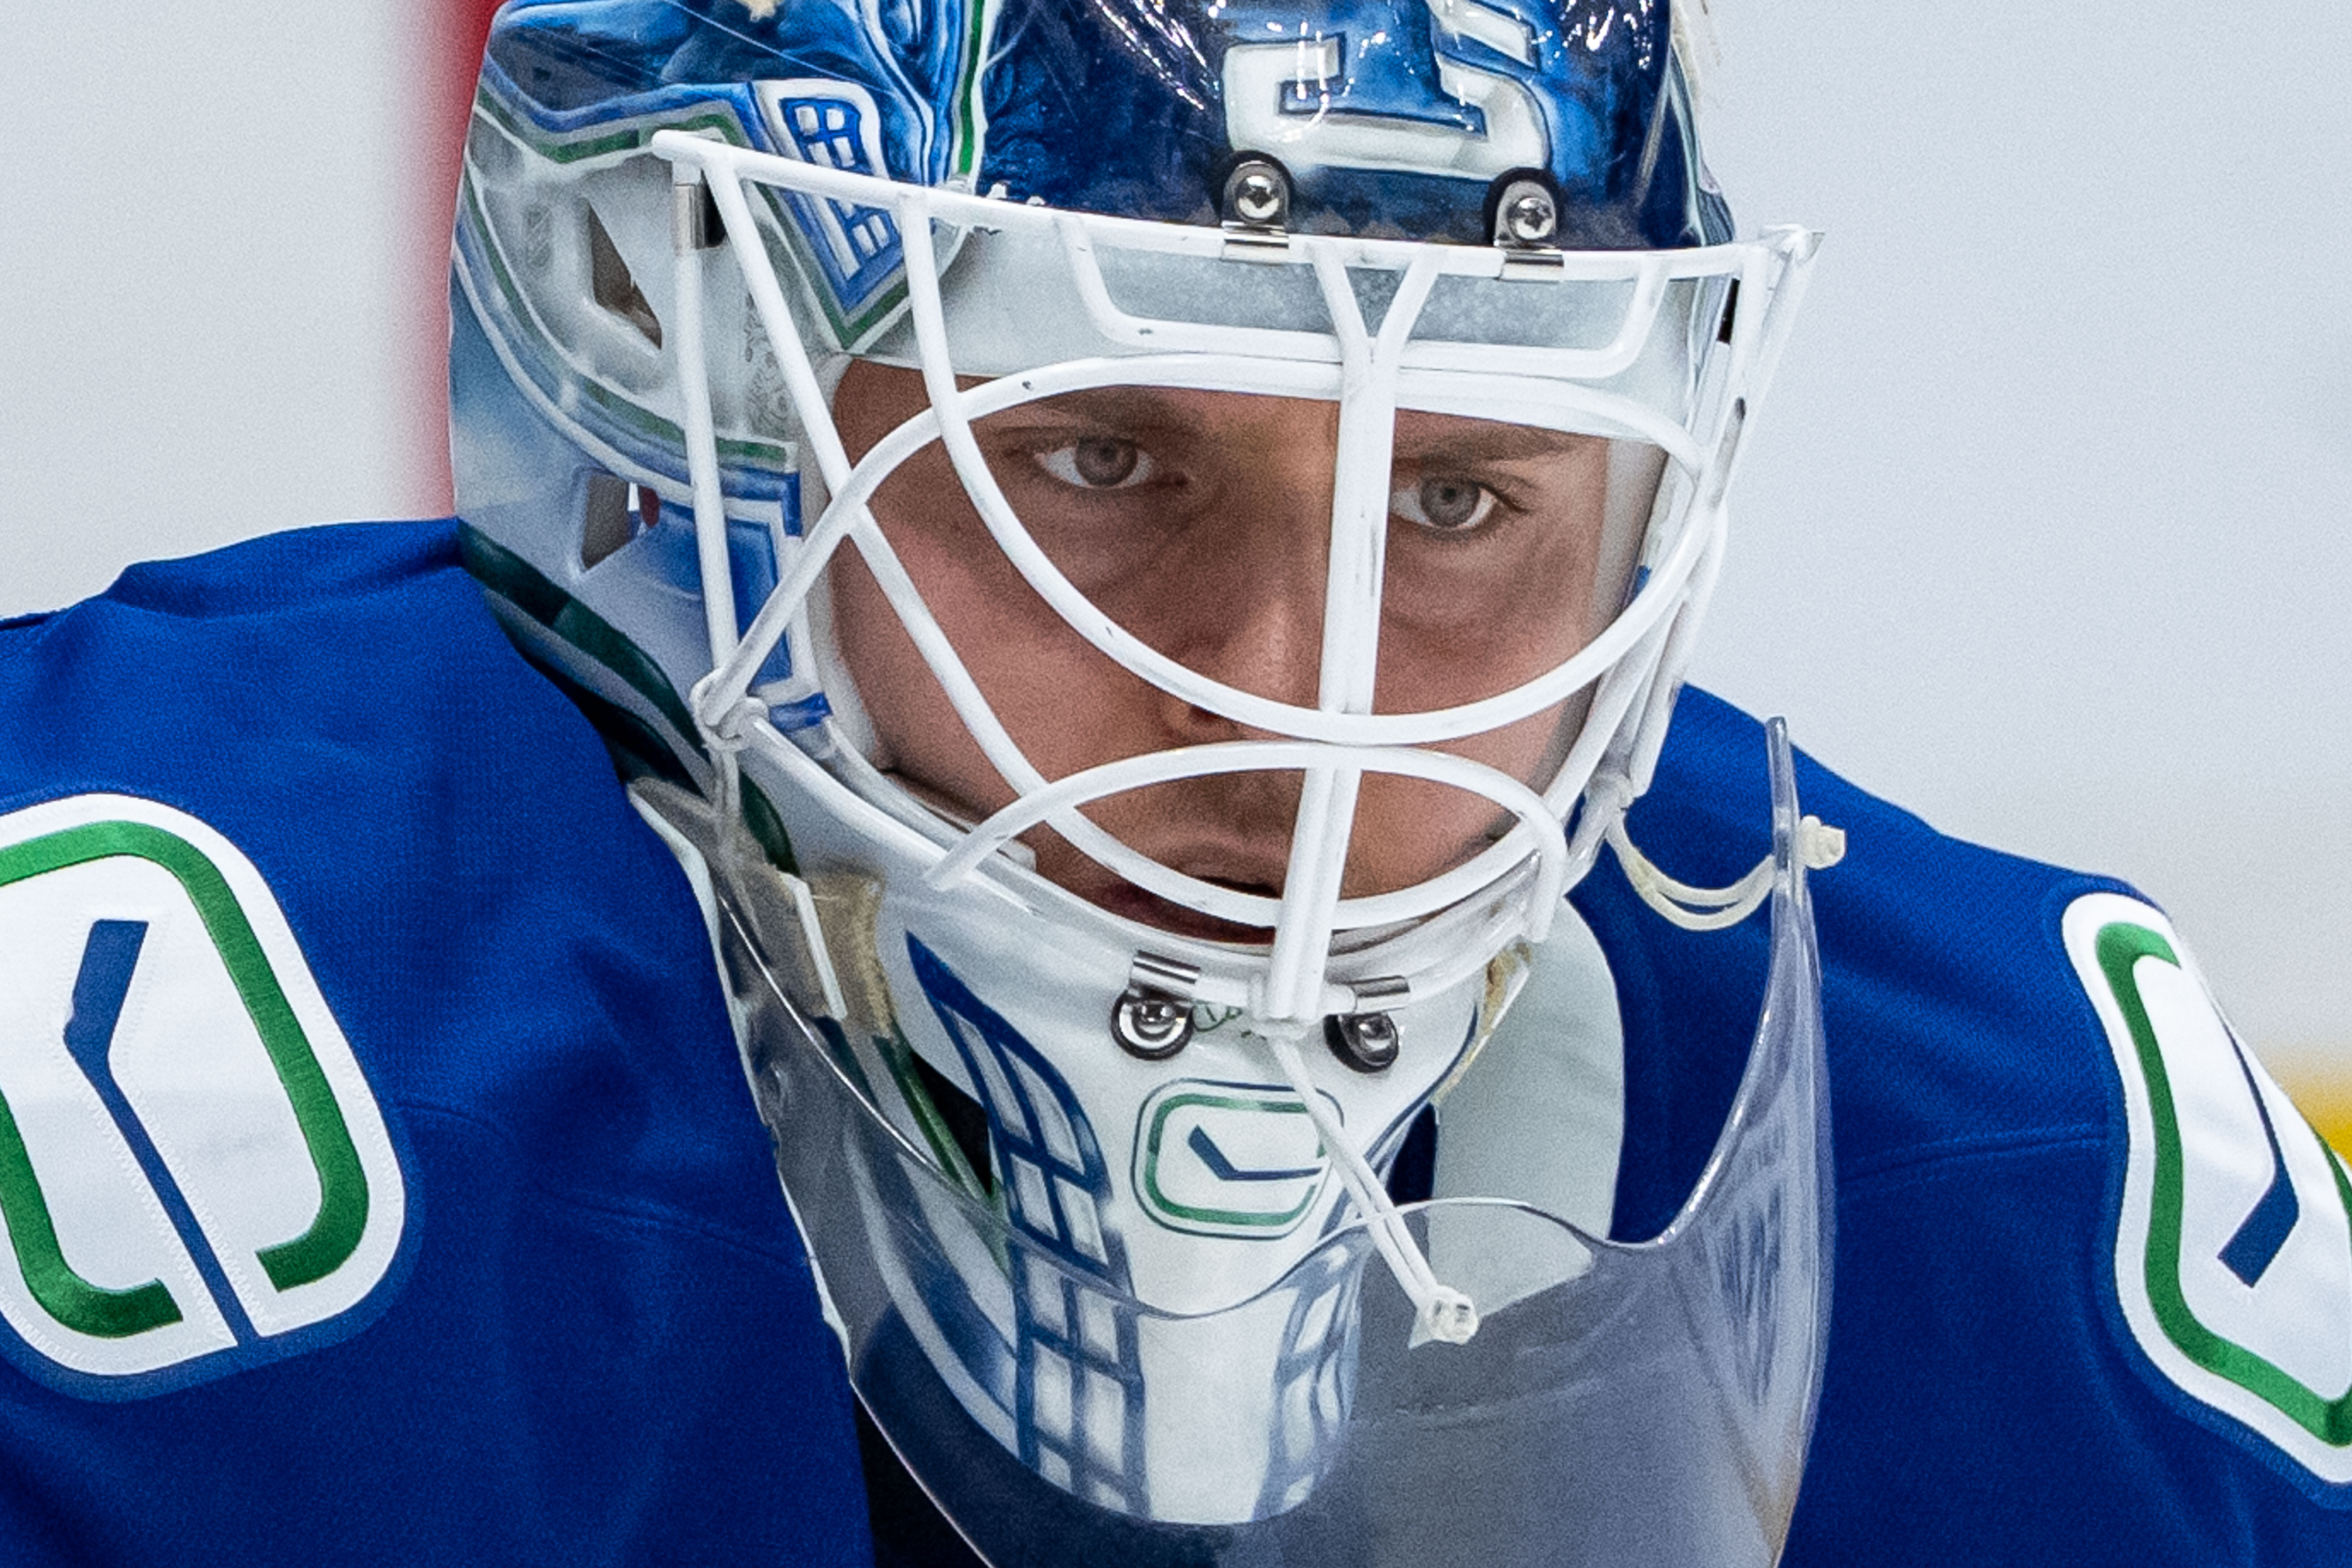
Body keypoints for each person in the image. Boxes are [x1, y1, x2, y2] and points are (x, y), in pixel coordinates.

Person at [0, 1, 2344, 1564]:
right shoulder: (157, 1071)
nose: (1293, 706)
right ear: (666, 420)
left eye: (1457, 504)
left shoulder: (2031, 1182)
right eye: (1099, 458)